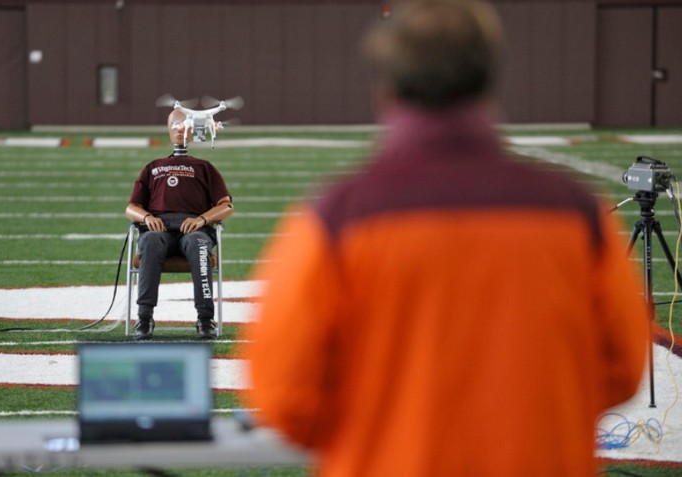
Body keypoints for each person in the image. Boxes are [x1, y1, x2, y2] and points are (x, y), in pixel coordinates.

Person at [243, 1, 649, 475]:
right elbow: (622, 370)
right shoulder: (577, 212)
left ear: (386, 87)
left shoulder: (337, 218)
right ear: (489, 79)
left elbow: (286, 398)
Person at [125, 109, 233, 340]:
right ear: (167, 129)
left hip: (195, 228)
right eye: (175, 124)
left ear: (193, 129)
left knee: (199, 245)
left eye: (184, 125)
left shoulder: (204, 167)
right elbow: (131, 207)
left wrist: (202, 219)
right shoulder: (153, 167)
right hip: (158, 228)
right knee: (150, 242)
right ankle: (144, 318)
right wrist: (147, 217)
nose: (180, 129)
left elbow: (226, 206)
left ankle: (205, 318)